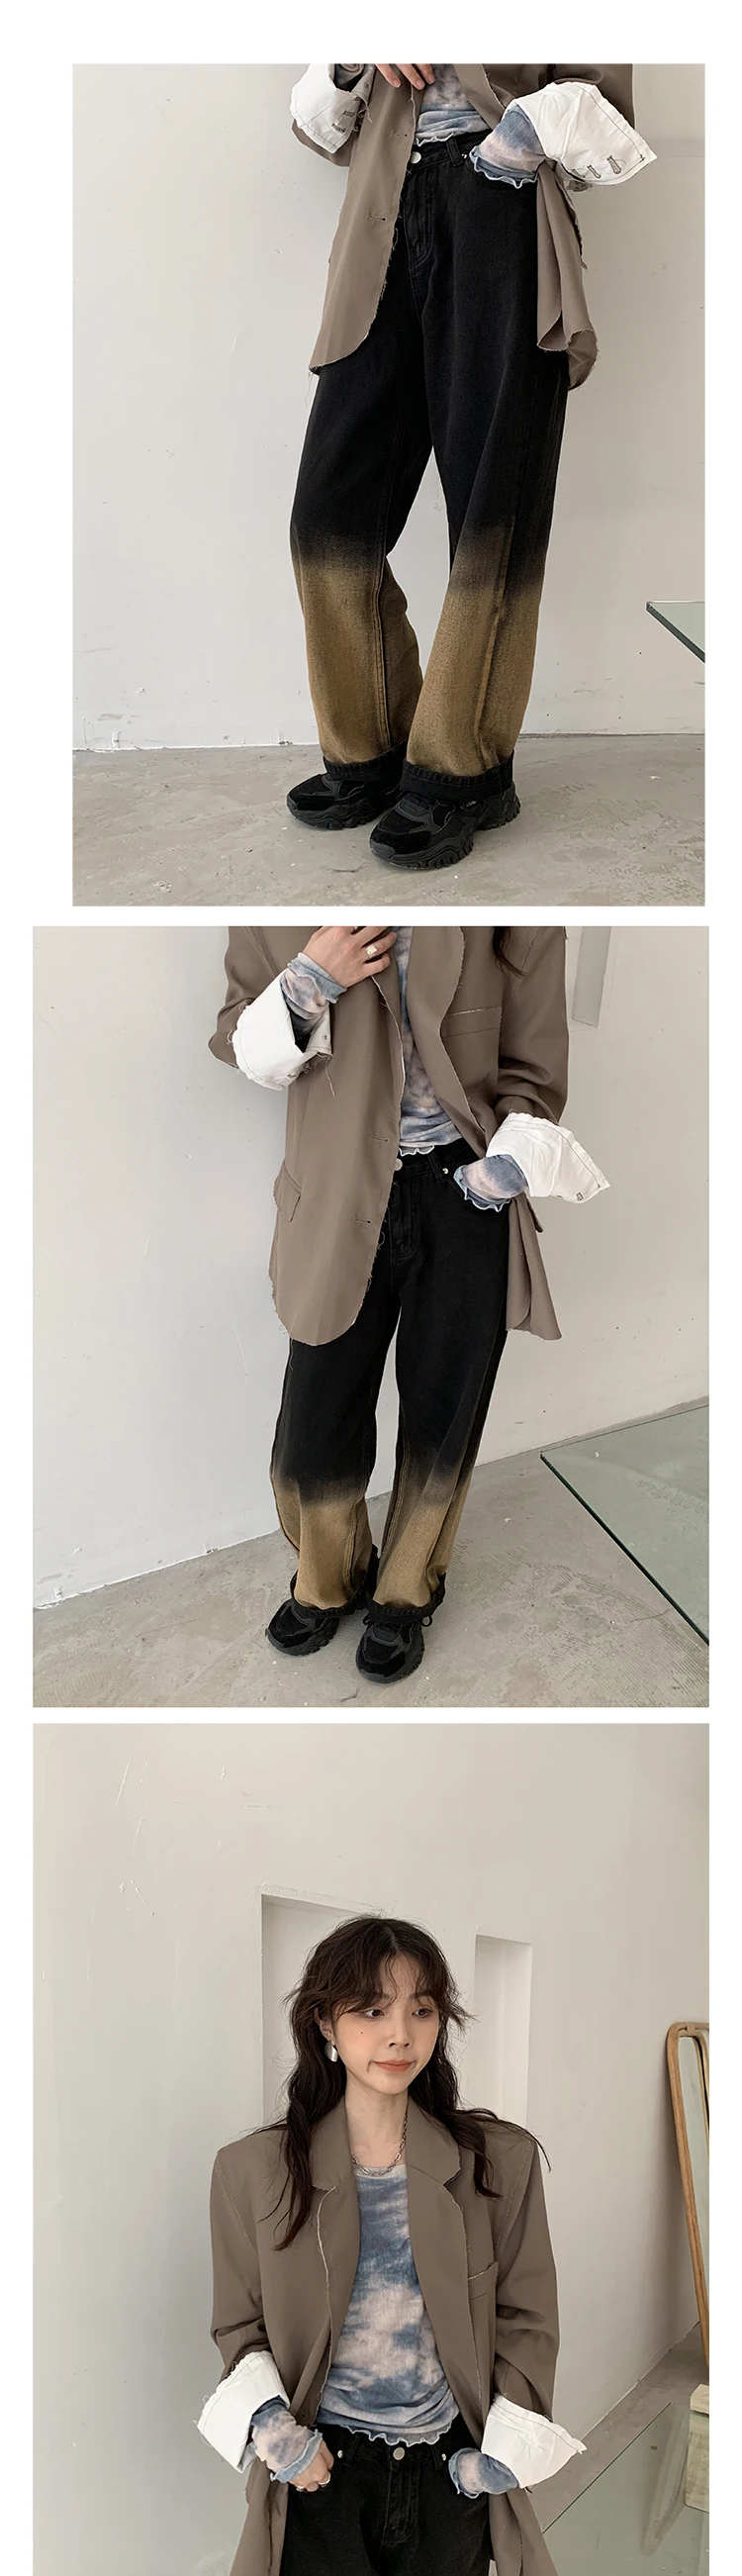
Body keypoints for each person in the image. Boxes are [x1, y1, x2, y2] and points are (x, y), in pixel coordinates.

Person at [286, 60, 633, 869]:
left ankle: (462, 772)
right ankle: (371, 749)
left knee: (489, 517)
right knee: (329, 513)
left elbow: (609, 111)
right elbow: (316, 126)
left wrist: (511, 145)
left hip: (498, 210)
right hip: (381, 215)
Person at [209, 922, 569, 1684]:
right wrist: (311, 977)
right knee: (316, 1418)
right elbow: (239, 1036)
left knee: (444, 1412)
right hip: (335, 1193)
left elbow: (534, 1054)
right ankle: (328, 1576)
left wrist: (505, 1168)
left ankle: (407, 1591)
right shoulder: (279, 899)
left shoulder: (505, 907)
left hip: (466, 1191)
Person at [205, 1913, 578, 2576]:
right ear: (325, 2022)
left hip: (449, 2477)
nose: (400, 2033)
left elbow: (527, 2317)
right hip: (323, 2474)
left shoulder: (499, 2163)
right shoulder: (253, 2171)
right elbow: (239, 2324)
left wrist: (495, 2457)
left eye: (422, 2009)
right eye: (372, 2009)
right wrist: (274, 2430)